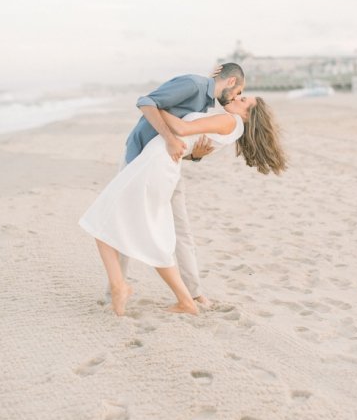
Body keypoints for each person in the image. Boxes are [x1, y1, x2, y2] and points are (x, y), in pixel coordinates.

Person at [80, 94, 286, 315]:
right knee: (116, 224)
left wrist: (155, 107)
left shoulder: (230, 121)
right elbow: (189, 142)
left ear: (248, 115)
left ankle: (123, 287)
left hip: (155, 165)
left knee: (104, 221)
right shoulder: (229, 124)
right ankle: (169, 296)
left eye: (244, 100)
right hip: (158, 164)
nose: (237, 98)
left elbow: (182, 129)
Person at [98, 64, 246, 313]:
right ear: (231, 82)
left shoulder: (206, 103)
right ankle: (115, 288)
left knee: (181, 230)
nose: (235, 98)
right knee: (122, 221)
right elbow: (146, 102)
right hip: (139, 158)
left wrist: (196, 156)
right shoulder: (193, 84)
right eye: (239, 91)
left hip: (167, 167)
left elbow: (183, 142)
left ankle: (193, 294)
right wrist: (170, 138)